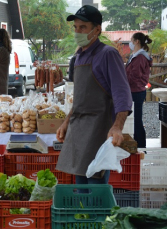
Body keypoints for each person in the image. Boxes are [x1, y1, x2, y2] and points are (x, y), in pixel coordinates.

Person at [55, 5, 132, 184]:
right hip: (78, 130)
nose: (77, 32)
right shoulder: (79, 57)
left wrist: (117, 127)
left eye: (83, 27)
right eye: (75, 27)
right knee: (81, 186)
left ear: (97, 30)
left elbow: (122, 94)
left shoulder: (108, 54)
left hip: (98, 130)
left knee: (95, 189)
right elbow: (80, 97)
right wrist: (66, 122)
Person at [125, 32, 153, 148]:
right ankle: (138, 146)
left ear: (137, 41)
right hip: (133, 90)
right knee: (134, 120)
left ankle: (141, 147)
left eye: (131, 40)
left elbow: (134, 76)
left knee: (136, 121)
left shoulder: (141, 57)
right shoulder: (135, 55)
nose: (130, 43)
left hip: (136, 91)